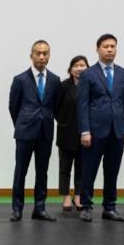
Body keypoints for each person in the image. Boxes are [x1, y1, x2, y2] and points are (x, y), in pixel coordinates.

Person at [77, 34, 124, 222]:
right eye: (105, 46)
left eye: (113, 46)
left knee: (112, 171)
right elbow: (82, 105)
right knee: (89, 170)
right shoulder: (88, 74)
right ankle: (86, 206)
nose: (110, 49)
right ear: (97, 50)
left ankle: (109, 207)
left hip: (117, 131)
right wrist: (85, 131)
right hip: (94, 131)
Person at [8, 40, 60, 221]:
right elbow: (13, 107)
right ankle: (17, 208)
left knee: (42, 171)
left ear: (49, 56)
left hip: (45, 132)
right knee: (20, 171)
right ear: (31, 56)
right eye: (38, 53)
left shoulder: (55, 80)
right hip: (25, 132)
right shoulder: (20, 79)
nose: (42, 57)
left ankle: (39, 208)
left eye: (45, 53)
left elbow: (55, 106)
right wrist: (22, 123)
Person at [56, 55, 88, 210]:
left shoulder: (91, 86)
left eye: (82, 65)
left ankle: (78, 196)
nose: (79, 68)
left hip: (85, 134)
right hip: (66, 133)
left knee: (81, 168)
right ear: (70, 69)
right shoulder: (62, 86)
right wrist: (63, 121)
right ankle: (66, 197)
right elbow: (55, 108)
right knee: (65, 168)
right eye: (76, 65)